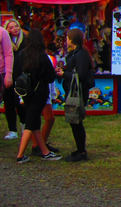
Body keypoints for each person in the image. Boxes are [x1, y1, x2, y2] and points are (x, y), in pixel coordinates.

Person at [13, 28, 60, 163]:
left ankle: (44, 151)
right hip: (39, 93)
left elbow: (16, 74)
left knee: (34, 122)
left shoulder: (21, 55)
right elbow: (50, 77)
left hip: (25, 92)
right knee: (30, 123)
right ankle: (20, 155)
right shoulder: (42, 56)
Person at [56, 28, 94, 162]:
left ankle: (82, 151)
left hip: (78, 92)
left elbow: (81, 75)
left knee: (76, 120)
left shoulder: (81, 54)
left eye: (67, 38)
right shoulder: (75, 53)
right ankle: (79, 148)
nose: (66, 41)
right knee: (74, 120)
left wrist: (64, 74)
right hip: (72, 91)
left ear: (72, 40)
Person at [3, 19, 27, 139]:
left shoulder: (25, 40)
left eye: (16, 26)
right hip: (8, 75)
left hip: (22, 75)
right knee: (8, 102)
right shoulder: (4, 40)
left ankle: (24, 124)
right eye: (11, 27)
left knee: (20, 102)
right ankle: (12, 129)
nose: (15, 29)